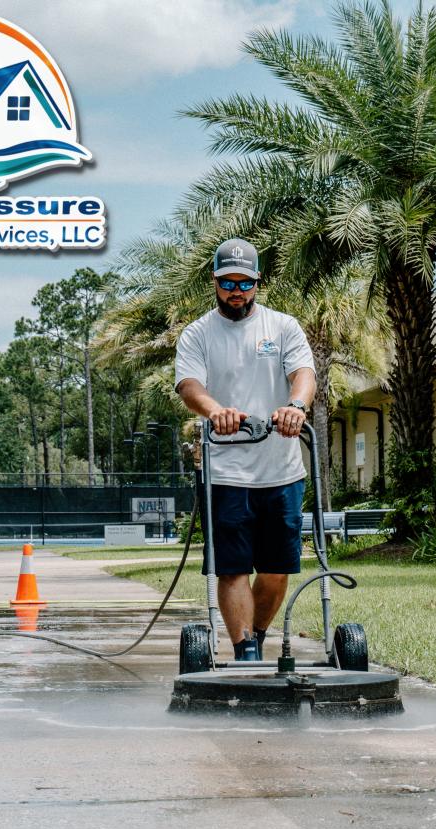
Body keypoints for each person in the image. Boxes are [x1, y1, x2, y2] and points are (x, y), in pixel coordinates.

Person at [174, 237, 316, 661]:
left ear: (258, 282)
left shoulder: (283, 327)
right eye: (228, 283)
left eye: (245, 283)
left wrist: (295, 407)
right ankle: (245, 652)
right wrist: (216, 411)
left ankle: (255, 635)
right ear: (215, 282)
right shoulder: (198, 334)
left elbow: (304, 373)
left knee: (276, 570)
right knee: (233, 567)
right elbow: (189, 385)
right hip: (227, 471)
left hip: (282, 470)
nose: (236, 291)